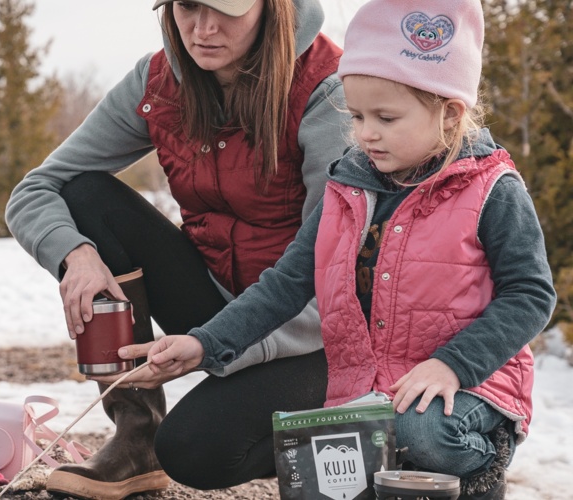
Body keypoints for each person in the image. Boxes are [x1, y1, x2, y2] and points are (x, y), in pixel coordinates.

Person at [147, 0, 556, 498]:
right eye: (357, 115)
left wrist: (453, 364)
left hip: (468, 383)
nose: (366, 134)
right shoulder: (348, 187)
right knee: (331, 465)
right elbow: (288, 282)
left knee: (419, 430)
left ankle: (481, 472)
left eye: (385, 117)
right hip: (369, 387)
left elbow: (530, 294)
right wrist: (206, 343)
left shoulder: (492, 189)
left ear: (449, 113)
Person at [4, 0, 350, 497]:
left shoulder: (327, 89)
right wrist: (75, 255)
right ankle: (134, 441)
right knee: (85, 195)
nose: (203, 28)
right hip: (216, 304)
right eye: (188, 6)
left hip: (309, 332)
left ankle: (359, 432)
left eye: (225, 10)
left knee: (194, 450)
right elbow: (36, 190)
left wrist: (218, 344)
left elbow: (326, 268)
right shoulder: (158, 82)